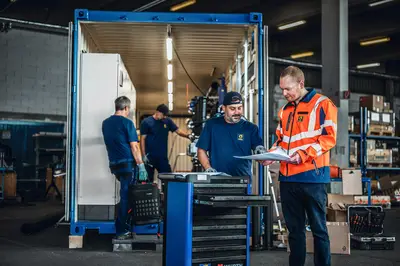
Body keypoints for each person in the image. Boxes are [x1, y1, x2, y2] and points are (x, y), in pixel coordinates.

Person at [263, 66, 338, 266]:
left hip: (312, 177)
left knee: (319, 229)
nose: (284, 93)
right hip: (288, 179)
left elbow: (329, 139)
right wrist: (271, 154)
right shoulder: (285, 110)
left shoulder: (323, 104)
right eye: (282, 89)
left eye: (288, 89)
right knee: (294, 232)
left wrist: (303, 155)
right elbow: (281, 140)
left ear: (301, 84)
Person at [102, 96, 148, 240]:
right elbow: (134, 146)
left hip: (115, 165)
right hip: (128, 165)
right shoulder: (127, 123)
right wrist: (141, 165)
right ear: (126, 108)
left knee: (125, 195)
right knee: (127, 197)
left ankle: (124, 226)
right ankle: (122, 230)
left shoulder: (106, 123)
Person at [196, 91, 267, 177]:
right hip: (216, 179)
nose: (237, 112)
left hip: (242, 179)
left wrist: (262, 155)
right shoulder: (211, 125)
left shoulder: (250, 128)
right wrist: (208, 168)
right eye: (232, 109)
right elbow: (201, 150)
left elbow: (258, 150)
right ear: (223, 108)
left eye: (239, 108)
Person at [140, 104, 193, 181]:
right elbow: (142, 139)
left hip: (162, 157)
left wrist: (188, 136)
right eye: (163, 115)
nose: (164, 117)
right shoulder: (146, 122)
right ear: (158, 112)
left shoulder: (167, 121)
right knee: (147, 180)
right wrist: (143, 155)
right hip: (149, 157)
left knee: (168, 179)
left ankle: (167, 193)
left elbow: (178, 131)